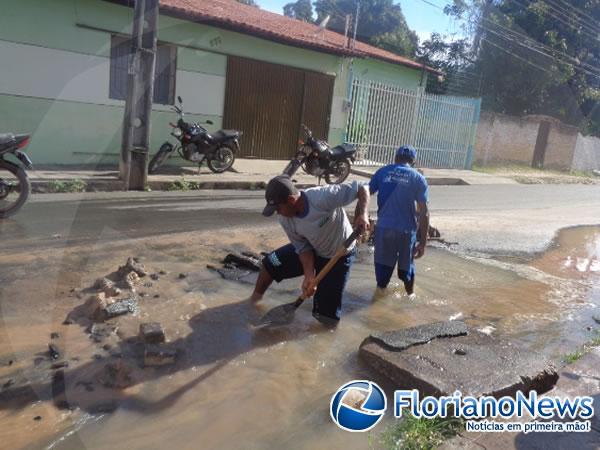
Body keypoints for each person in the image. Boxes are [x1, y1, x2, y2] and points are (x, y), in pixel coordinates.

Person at [249, 175, 370, 325]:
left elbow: (362, 187)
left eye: (278, 208)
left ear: (291, 201)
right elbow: (302, 247)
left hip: (339, 255)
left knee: (326, 317)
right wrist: (309, 275)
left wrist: (363, 214)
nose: (277, 213)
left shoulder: (322, 197)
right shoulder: (284, 219)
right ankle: (253, 300)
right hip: (313, 248)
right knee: (270, 262)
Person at [369, 145, 429, 298]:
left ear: (395, 158)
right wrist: (422, 243)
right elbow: (424, 212)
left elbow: (365, 193)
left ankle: (378, 301)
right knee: (407, 270)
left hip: (384, 230)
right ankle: (411, 297)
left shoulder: (382, 172)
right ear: (413, 162)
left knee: (382, 274)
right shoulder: (418, 178)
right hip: (406, 232)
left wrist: (362, 218)